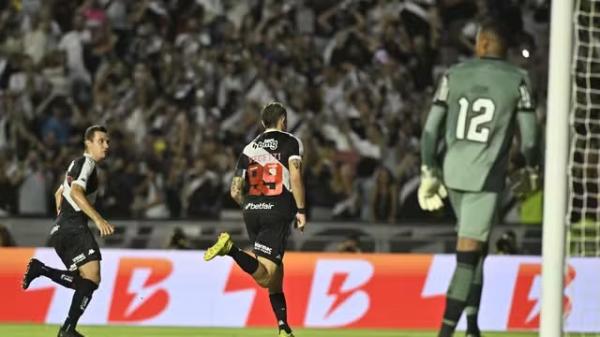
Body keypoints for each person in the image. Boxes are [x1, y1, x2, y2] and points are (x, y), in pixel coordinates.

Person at [418, 19, 539, 337]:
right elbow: (530, 139)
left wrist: (428, 169)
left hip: (452, 171)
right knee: (468, 256)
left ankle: (472, 328)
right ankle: (445, 333)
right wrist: (530, 168)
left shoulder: (453, 74)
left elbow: (430, 131)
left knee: (477, 251)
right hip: (485, 177)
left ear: (482, 42)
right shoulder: (519, 79)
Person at [204, 102, 306, 337]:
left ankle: (283, 327)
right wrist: (300, 210)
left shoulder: (249, 148)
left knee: (275, 275)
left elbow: (235, 190)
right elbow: (296, 175)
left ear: (262, 123)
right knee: (266, 276)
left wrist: (250, 206)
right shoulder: (291, 141)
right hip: (277, 208)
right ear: (283, 120)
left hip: (252, 209)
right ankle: (231, 250)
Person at [22, 125, 115, 337]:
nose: (106, 145)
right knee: (91, 279)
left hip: (62, 228)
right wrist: (98, 220)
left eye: (107, 141)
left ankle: (41, 270)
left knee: (84, 281)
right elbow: (75, 191)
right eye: (101, 141)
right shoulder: (87, 163)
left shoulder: (77, 164)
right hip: (73, 226)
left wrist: (61, 218)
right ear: (88, 143)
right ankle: (68, 330)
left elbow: (59, 192)